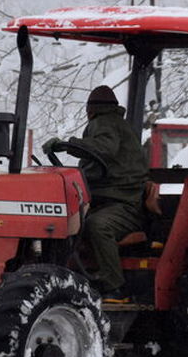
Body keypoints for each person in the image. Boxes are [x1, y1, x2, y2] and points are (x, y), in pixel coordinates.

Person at [44, 85, 148, 301]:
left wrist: (68, 145)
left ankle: (114, 287)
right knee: (67, 221)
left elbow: (104, 147)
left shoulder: (106, 122)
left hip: (123, 205)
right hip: (105, 200)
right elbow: (101, 158)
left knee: (97, 225)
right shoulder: (111, 126)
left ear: (90, 110)